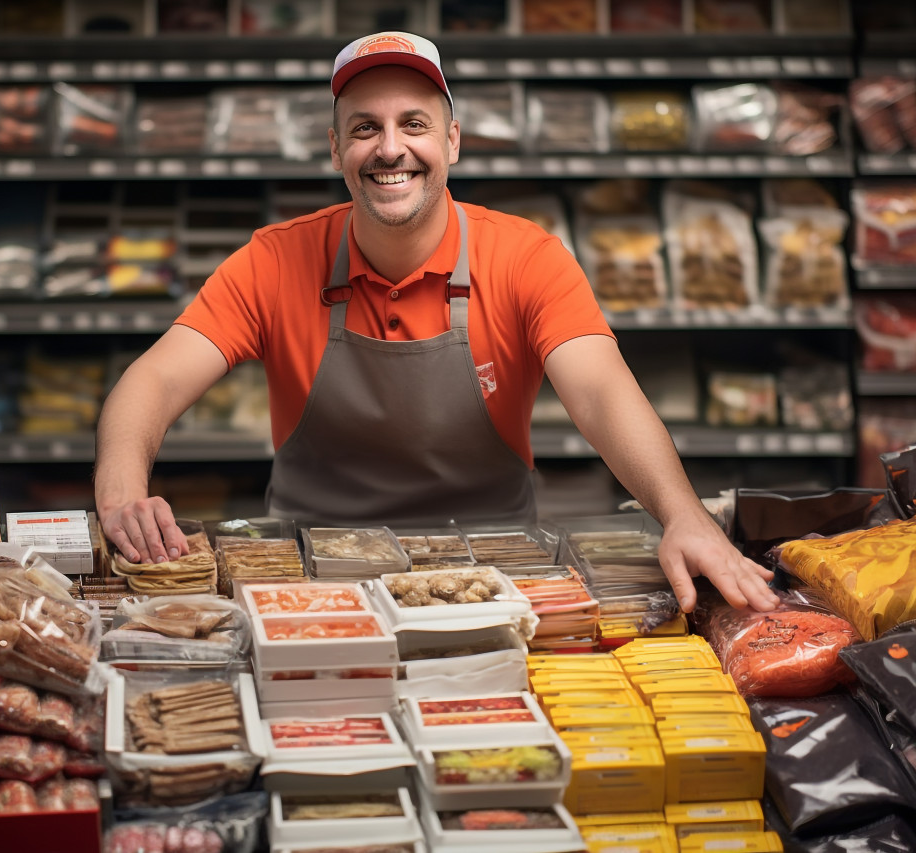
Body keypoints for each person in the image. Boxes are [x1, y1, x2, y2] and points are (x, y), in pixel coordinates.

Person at [93, 31, 778, 614]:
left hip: (495, 573)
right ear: (336, 150)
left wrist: (682, 514)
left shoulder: (525, 257)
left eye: (413, 124)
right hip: (311, 579)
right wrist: (123, 496)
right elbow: (153, 378)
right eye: (365, 128)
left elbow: (601, 391)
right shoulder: (276, 259)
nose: (390, 149)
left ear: (452, 140)